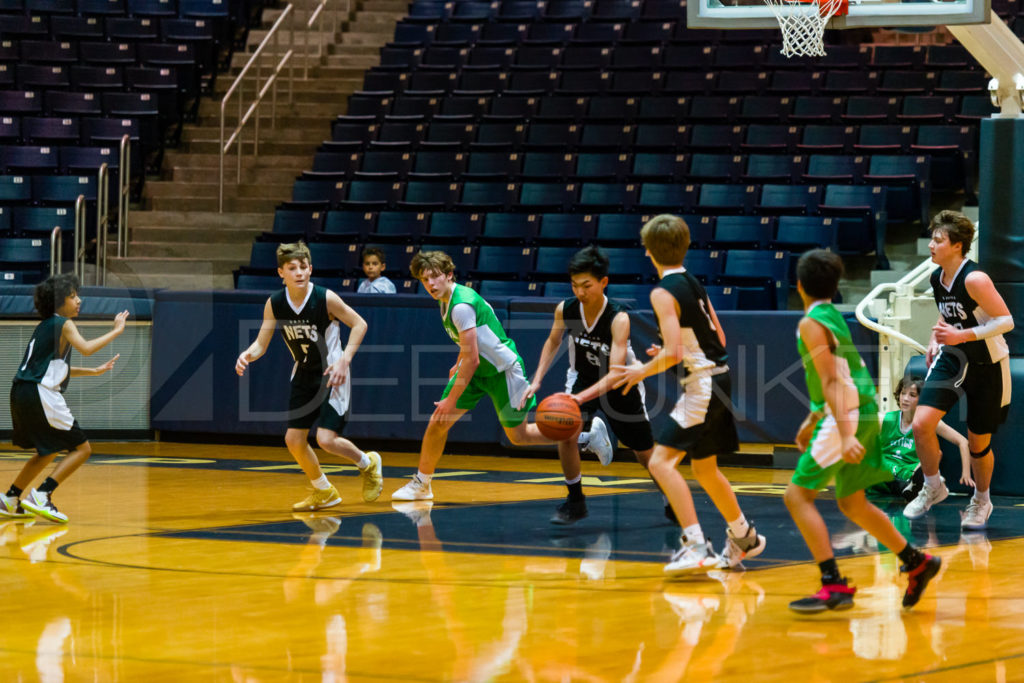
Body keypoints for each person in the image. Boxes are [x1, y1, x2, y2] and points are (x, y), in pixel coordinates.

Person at [784, 249, 940, 613]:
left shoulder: (811, 323)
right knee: (852, 501)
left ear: (799, 285)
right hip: (862, 409)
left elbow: (830, 381)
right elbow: (839, 375)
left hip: (848, 415)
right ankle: (916, 560)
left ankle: (833, 583)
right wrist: (813, 420)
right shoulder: (835, 317)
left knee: (796, 497)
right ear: (836, 286)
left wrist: (844, 433)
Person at [613, 215, 766, 574]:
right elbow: (719, 339)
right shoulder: (694, 283)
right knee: (704, 467)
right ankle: (744, 537)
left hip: (703, 384)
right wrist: (669, 348)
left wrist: (640, 371)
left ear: (648, 252)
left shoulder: (662, 292)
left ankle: (696, 544)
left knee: (660, 463)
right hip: (720, 377)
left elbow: (675, 354)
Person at [391, 250, 558, 501]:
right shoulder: (445, 299)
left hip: (503, 371)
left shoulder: (461, 305)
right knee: (438, 422)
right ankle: (422, 484)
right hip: (477, 371)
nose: (431, 284)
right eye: (425, 280)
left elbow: (473, 358)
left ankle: (582, 437)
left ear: (449, 275)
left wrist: (451, 397)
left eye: (435, 277)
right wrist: (457, 362)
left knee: (519, 436)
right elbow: (471, 345)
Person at [235, 241, 383, 511]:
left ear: (311, 269)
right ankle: (323, 490)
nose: (299, 273)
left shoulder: (325, 298)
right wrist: (247, 354)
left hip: (332, 372)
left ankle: (367, 463)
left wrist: (345, 360)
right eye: (292, 268)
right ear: (281, 272)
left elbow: (360, 323)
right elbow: (261, 343)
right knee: (293, 440)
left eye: (303, 267)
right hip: (303, 372)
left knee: (326, 439)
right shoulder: (275, 303)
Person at [518, 245, 656, 525]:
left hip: (621, 383)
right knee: (566, 434)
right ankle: (576, 500)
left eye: (587, 285)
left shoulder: (618, 318)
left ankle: (670, 498)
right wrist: (537, 380)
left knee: (644, 453)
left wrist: (578, 400)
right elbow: (553, 341)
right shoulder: (566, 309)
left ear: (603, 282)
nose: (580, 292)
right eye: (574, 285)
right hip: (582, 377)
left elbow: (616, 372)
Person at [904, 210, 1013, 530]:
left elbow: (1006, 320)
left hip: (986, 362)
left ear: (957, 245)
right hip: (953, 357)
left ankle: (982, 499)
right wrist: (935, 339)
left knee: (978, 443)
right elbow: (946, 314)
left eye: (938, 240)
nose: (931, 246)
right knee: (922, 423)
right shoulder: (937, 277)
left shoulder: (975, 279)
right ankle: (933, 485)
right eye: (932, 238)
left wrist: (962, 334)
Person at [1, 273, 126, 523]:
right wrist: (117, 330)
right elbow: (87, 349)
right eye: (72, 297)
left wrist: (94, 371)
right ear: (58, 302)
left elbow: (51, 367)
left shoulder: (46, 326)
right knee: (82, 448)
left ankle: (10, 499)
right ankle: (42, 494)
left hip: (21, 392)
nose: (79, 300)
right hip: (40, 393)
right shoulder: (64, 324)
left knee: (47, 450)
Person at [867, 375, 972, 502]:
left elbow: (963, 442)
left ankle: (913, 486)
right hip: (884, 469)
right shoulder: (884, 419)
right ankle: (907, 488)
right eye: (903, 393)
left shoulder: (928, 422)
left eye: (912, 395)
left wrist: (966, 473)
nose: (905, 399)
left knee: (935, 455)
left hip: (909, 471)